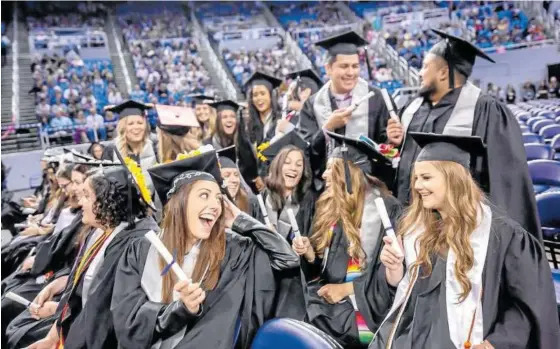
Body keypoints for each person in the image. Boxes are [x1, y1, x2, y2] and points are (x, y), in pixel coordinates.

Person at [368, 132, 560, 349]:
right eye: (416, 178)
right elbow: (400, 297)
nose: (418, 186)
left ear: (454, 179)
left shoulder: (502, 235)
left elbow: (526, 304)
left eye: (426, 177)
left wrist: (493, 343)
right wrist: (393, 271)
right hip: (408, 336)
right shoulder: (416, 229)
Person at [110, 146, 300, 349]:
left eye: (219, 198)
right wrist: (179, 310)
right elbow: (126, 321)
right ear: (179, 204)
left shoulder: (234, 251)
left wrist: (239, 219)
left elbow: (287, 259)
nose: (215, 205)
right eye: (204, 195)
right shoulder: (141, 250)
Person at [387, 29, 542, 240]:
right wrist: (396, 142)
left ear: (443, 72)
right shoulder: (412, 108)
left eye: (425, 67)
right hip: (410, 223)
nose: (420, 73)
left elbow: (504, 183)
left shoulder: (485, 111)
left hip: (457, 231)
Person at [27, 155, 159, 349]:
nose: (81, 203)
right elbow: (78, 291)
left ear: (108, 201)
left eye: (87, 196)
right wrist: (51, 338)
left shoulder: (135, 242)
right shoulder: (98, 232)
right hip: (81, 327)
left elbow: (106, 315)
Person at [291, 132, 402, 348]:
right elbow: (323, 271)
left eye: (332, 170)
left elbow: (390, 276)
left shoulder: (385, 210)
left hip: (364, 309)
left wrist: (345, 290)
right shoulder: (331, 206)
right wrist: (311, 255)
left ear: (351, 174)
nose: (323, 175)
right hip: (330, 300)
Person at [2, 164, 88, 349]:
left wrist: (61, 308)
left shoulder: (98, 228)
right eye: (71, 184)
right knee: (10, 285)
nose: (75, 190)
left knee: (12, 316)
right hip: (66, 284)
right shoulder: (86, 221)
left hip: (77, 304)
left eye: (79, 184)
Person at [298, 31, 393, 192]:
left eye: (355, 66)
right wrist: (327, 129)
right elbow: (305, 153)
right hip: (329, 191)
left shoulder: (376, 98)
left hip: (369, 188)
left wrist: (393, 141)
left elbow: (386, 147)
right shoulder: (313, 104)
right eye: (344, 66)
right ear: (328, 68)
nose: (351, 72)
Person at [257, 131, 315, 243]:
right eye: (287, 163)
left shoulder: (308, 201)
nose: (293, 168)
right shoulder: (262, 198)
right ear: (277, 166)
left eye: (299, 165)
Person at [277, 69, 323, 138]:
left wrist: (288, 128)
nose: (288, 94)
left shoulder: (316, 117)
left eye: (292, 89)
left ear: (306, 93)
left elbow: (312, 141)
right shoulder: (289, 115)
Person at [216, 145, 259, 217]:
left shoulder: (250, 203)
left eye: (236, 175)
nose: (234, 180)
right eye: (227, 175)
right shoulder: (211, 207)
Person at [243, 71, 283, 145]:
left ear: (271, 96)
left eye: (263, 93)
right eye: (255, 95)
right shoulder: (249, 125)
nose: (259, 98)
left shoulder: (283, 119)